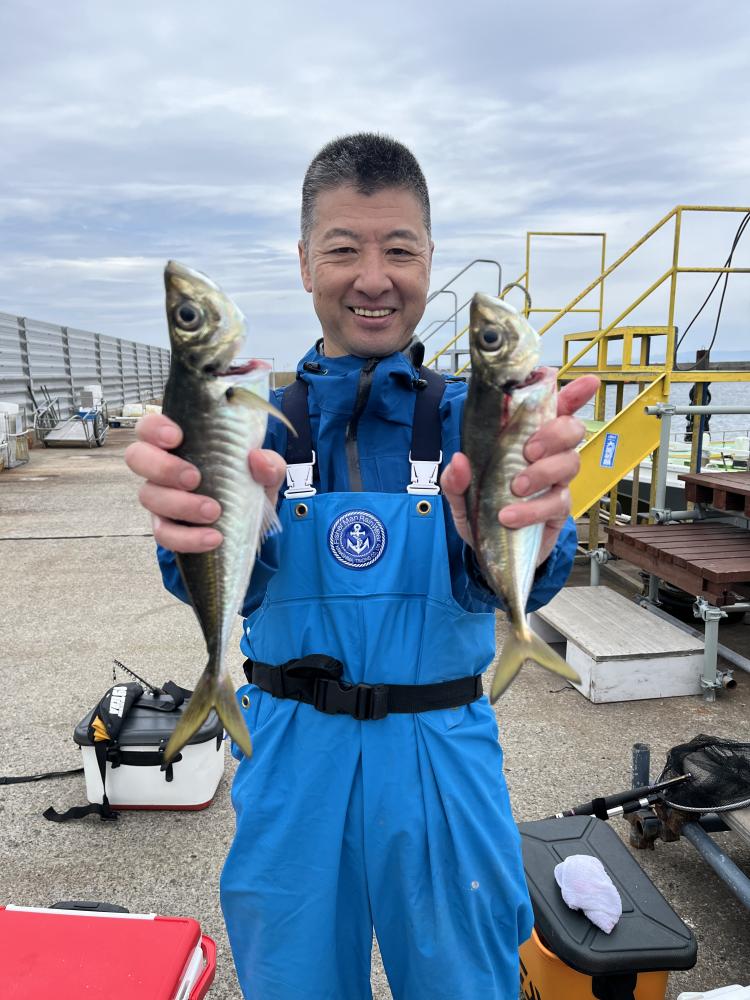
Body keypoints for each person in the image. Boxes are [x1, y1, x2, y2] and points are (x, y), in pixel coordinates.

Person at [126, 133, 598, 1000]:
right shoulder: (255, 422)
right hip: (289, 748)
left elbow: (523, 571)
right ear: (305, 262)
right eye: (344, 249)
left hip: (444, 749)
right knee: (293, 980)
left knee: (466, 981)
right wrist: (191, 529)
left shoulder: (476, 417)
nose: (373, 278)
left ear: (430, 261)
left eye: (400, 251)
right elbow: (220, 579)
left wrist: (534, 523)